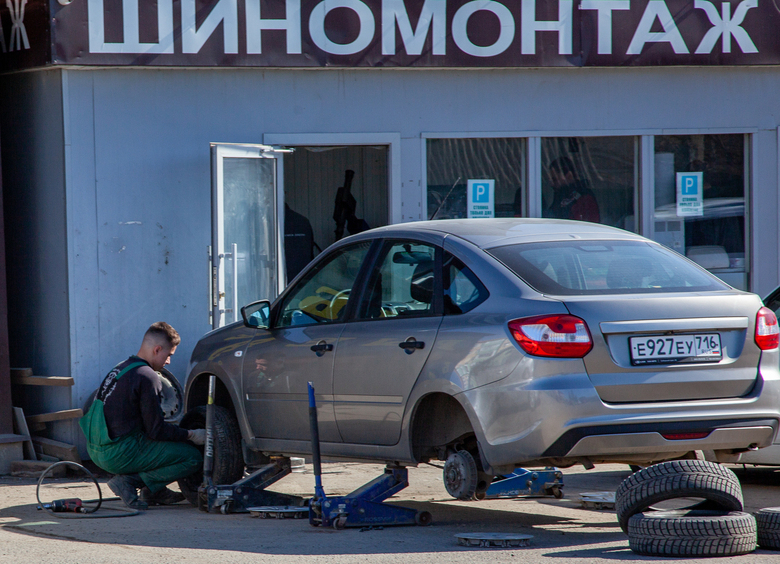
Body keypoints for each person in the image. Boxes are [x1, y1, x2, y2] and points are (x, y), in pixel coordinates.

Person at [80, 322, 206, 510]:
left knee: (154, 443)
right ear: (157, 349)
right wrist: (192, 435)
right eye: (169, 355)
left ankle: (153, 491)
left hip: (96, 449)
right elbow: (157, 431)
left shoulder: (121, 368)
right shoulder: (148, 376)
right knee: (191, 457)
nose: (168, 362)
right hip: (118, 453)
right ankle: (129, 482)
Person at [545, 156, 601, 223]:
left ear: (569, 176)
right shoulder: (560, 196)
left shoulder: (584, 199)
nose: (552, 184)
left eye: (555, 180)